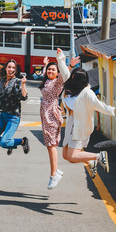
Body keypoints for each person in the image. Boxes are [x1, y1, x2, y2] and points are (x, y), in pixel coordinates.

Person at [56, 49, 115, 178]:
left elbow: (99, 105)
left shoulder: (87, 93)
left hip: (81, 128)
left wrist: (112, 110)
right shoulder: (69, 86)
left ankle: (99, 156)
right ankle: (91, 161)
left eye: (74, 78)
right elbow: (64, 71)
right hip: (71, 127)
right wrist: (60, 57)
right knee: (67, 156)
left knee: (72, 155)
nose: (71, 79)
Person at [34, 49, 80, 190]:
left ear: (57, 72)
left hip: (52, 115)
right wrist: (46, 64)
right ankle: (56, 171)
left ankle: (54, 175)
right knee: (50, 144)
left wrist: (69, 65)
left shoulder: (57, 82)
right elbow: (45, 73)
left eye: (53, 70)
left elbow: (64, 75)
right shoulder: (47, 80)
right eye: (49, 70)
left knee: (51, 145)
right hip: (45, 115)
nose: (50, 72)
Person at [0, 59, 30, 155]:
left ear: (16, 70)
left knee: (4, 142)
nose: (11, 69)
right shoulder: (2, 81)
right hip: (3, 116)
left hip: (13, 117)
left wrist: (23, 85)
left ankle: (23, 141)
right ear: (6, 68)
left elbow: (24, 97)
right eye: (9, 67)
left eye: (13, 67)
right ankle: (9, 144)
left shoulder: (18, 82)